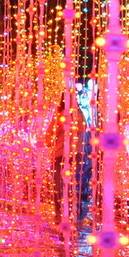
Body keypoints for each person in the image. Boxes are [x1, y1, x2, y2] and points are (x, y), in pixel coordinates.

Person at [45, 94, 87, 223]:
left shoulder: (79, 115)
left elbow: (81, 128)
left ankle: (71, 214)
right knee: (60, 186)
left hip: (74, 155)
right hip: (60, 155)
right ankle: (62, 215)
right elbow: (48, 139)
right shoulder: (59, 116)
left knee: (70, 185)